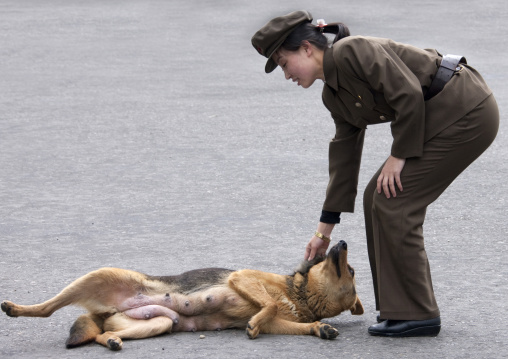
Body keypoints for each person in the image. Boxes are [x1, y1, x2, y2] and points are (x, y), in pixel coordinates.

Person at [251, 10, 499, 337]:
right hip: (435, 115)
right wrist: (323, 233)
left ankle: (418, 312)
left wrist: (399, 155)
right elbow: (344, 158)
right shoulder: (333, 94)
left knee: (395, 200)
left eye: (284, 63)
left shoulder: (353, 51)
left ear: (307, 49)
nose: (286, 75)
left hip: (464, 107)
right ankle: (398, 310)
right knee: (376, 197)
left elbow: (408, 91)